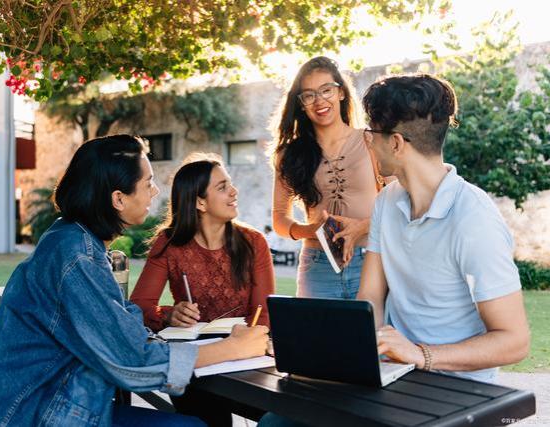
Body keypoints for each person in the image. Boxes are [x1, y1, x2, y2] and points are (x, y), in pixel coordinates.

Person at [0, 135, 269, 427]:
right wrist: (233, 349)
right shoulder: (77, 258)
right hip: (37, 415)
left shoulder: (70, 240)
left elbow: (121, 332)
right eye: (148, 183)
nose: (155, 192)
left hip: (51, 403)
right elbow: (133, 361)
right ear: (118, 198)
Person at [357, 74, 530, 382]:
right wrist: (365, 354)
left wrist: (421, 354)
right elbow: (371, 293)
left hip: (455, 388)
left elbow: (514, 341)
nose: (367, 143)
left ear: (395, 144)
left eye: (370, 135)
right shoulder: (386, 201)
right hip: (396, 373)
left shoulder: (474, 219)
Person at [130, 154, 275, 427]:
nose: (234, 191)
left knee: (273, 416)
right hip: (196, 364)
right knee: (208, 420)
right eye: (222, 187)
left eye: (230, 184)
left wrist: (251, 342)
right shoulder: (169, 244)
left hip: (245, 360)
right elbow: (139, 306)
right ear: (199, 202)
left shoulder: (254, 242)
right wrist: (171, 315)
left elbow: (264, 314)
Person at [271, 56, 382, 299]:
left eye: (326, 90)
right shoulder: (289, 155)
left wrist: (361, 226)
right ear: (301, 103)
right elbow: (279, 218)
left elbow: (400, 206)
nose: (319, 101)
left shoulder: (372, 141)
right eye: (309, 95)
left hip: (371, 260)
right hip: (317, 265)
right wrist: (310, 230)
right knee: (316, 336)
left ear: (341, 93)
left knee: (373, 337)